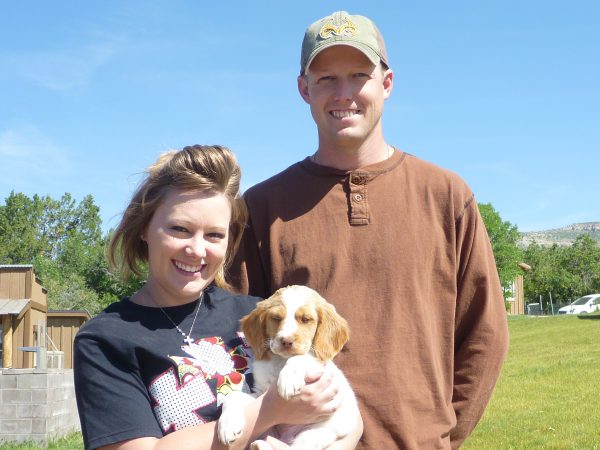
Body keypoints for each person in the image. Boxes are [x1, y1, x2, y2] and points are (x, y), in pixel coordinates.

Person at [229, 11, 510, 450]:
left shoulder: (446, 195)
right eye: (325, 79)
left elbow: (484, 333)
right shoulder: (263, 206)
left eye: (359, 75)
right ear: (303, 88)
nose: (344, 94)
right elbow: (234, 336)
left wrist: (442, 436)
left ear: (387, 82)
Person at [74, 145, 363, 450]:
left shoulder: (258, 315)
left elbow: (348, 420)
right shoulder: (106, 339)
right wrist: (270, 411)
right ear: (144, 227)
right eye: (180, 229)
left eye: (214, 235)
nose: (197, 250)